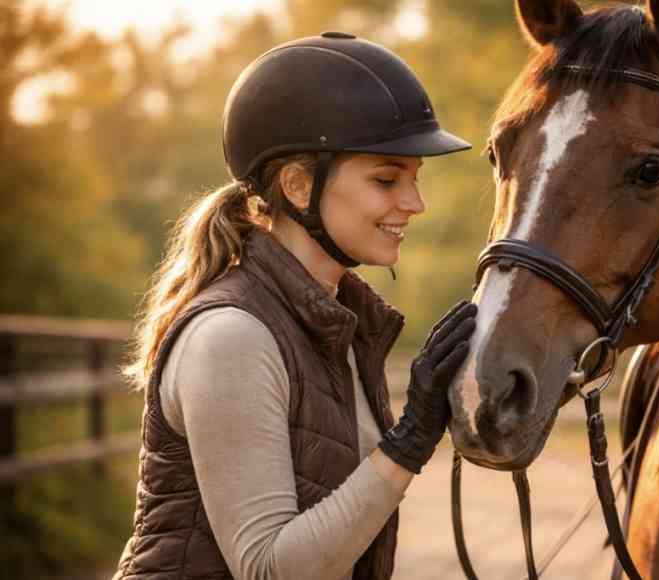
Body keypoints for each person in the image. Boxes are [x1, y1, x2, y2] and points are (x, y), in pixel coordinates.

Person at [113, 32, 476, 580]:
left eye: (415, 181)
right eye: (386, 179)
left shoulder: (340, 329)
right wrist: (410, 440)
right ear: (300, 186)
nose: (414, 204)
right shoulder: (232, 336)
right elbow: (268, 568)